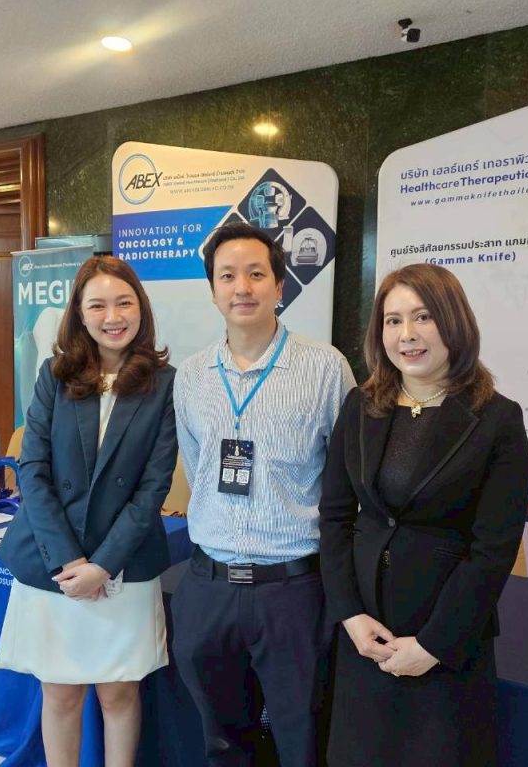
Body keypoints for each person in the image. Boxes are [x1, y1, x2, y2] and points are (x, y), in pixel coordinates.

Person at [318, 263, 528, 766]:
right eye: (393, 321)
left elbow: (493, 550)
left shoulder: (497, 418)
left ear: (454, 322)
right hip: (365, 637)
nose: (407, 334)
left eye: (423, 317)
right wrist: (350, 614)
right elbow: (335, 518)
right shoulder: (360, 405)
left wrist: (434, 644)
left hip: (446, 644)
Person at [171, 221, 355, 766]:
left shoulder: (325, 368)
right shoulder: (192, 376)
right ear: (212, 290)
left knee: (303, 739)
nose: (242, 288)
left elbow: (345, 482)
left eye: (256, 274)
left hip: (293, 591)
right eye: (227, 276)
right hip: (208, 586)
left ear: (280, 285)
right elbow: (198, 467)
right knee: (222, 741)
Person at [0, 256, 177, 767]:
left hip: (124, 562)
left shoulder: (165, 383)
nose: (112, 316)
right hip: (54, 561)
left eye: (124, 302)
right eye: (97, 305)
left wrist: (103, 566)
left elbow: (152, 488)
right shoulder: (54, 376)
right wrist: (70, 561)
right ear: (79, 312)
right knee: (61, 692)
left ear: (141, 307)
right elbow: (33, 470)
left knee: (119, 692)